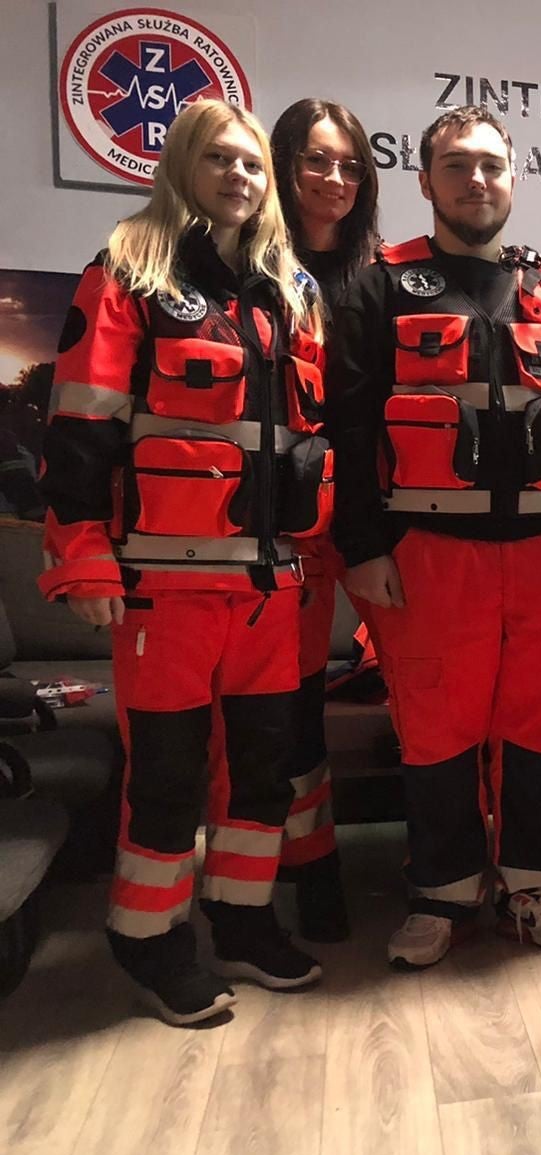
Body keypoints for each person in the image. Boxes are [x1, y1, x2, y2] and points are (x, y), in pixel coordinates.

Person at [38, 99, 327, 1024]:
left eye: (252, 165)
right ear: (181, 167)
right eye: (220, 160)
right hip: (163, 589)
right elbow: (79, 427)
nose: (240, 177)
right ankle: (148, 938)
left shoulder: (289, 291)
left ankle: (241, 921)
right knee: (164, 776)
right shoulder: (127, 271)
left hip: (271, 588)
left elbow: (314, 442)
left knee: (260, 775)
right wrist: (83, 556)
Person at [328, 105, 541, 969]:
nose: (478, 181)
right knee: (436, 728)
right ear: (425, 182)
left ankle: (537, 890)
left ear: (514, 178)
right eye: (457, 167)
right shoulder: (376, 289)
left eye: (493, 166)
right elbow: (347, 432)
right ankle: (442, 892)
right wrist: (365, 547)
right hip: (427, 555)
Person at [265, 96, 383, 942]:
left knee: (432, 693)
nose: (334, 178)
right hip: (293, 528)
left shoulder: (385, 274)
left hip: (382, 518)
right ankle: (313, 871)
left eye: (349, 164)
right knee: (294, 709)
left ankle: (458, 864)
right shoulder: (253, 269)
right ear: (285, 164)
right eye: (316, 159)